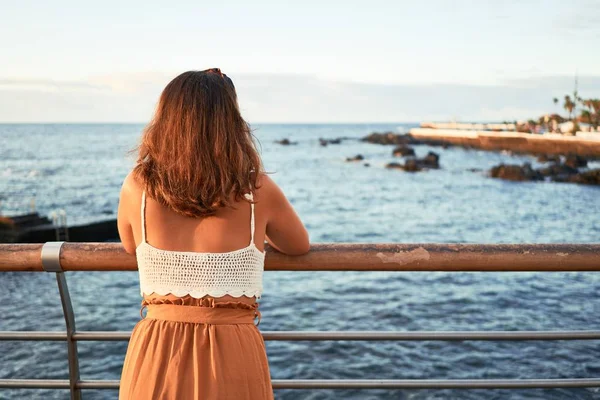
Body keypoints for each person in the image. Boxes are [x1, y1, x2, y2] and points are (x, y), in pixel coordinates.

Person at [117, 68, 310, 399]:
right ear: (231, 123)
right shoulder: (256, 189)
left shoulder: (139, 186)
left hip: (158, 348)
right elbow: (297, 245)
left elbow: (129, 244)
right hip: (231, 349)